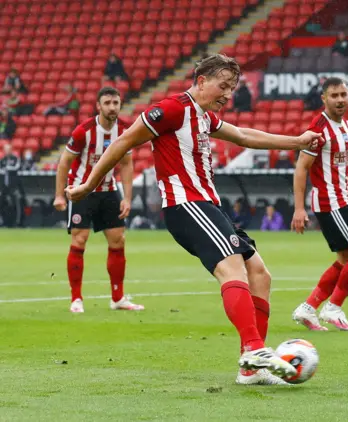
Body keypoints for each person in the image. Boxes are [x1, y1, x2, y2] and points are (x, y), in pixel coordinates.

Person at [65, 54, 321, 385]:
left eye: (232, 88)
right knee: (232, 270)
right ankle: (255, 349)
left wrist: (296, 141)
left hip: (208, 206)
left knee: (260, 274)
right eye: (223, 86)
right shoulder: (171, 109)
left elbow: (243, 135)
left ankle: (250, 367)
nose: (228, 94)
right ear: (201, 81)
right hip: (186, 205)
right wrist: (88, 184)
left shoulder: (204, 117)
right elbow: (123, 142)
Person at [291, 77, 348, 332]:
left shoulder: (345, 126)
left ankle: (308, 308)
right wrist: (299, 208)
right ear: (324, 99)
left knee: (345, 257)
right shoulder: (318, 130)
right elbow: (301, 168)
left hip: (342, 198)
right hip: (330, 202)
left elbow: (342, 167)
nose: (340, 100)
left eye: (343, 95)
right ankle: (333, 307)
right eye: (334, 95)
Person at [52, 87, 140, 313]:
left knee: (118, 240)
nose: (112, 107)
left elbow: (127, 164)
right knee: (79, 240)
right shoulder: (84, 131)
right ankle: (76, 299)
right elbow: (64, 162)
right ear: (98, 106)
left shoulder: (124, 130)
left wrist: (127, 198)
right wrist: (60, 194)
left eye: (116, 102)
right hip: (82, 191)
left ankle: (118, 298)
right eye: (108, 103)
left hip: (109, 190)